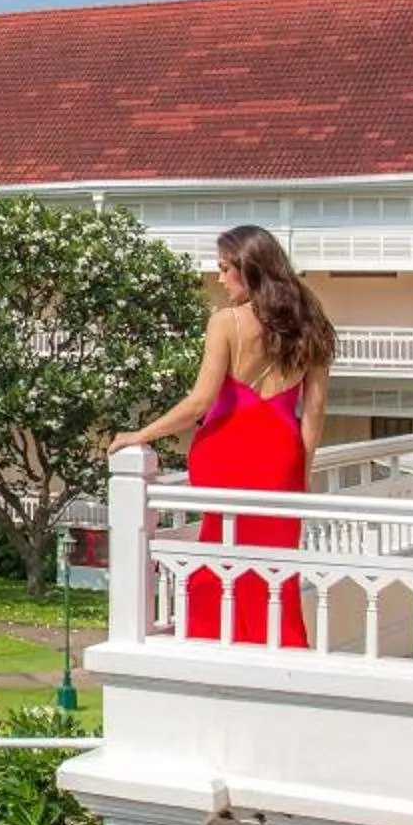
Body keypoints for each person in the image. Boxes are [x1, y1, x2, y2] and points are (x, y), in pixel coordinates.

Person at [108, 225, 334, 647]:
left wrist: (140, 433)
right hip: (281, 460)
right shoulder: (312, 321)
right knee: (274, 565)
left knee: (220, 550)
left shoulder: (226, 323)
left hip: (226, 454)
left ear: (250, 269)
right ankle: (278, 645)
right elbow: (315, 411)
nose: (219, 278)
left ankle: (213, 639)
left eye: (224, 268)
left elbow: (199, 403)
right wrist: (303, 474)